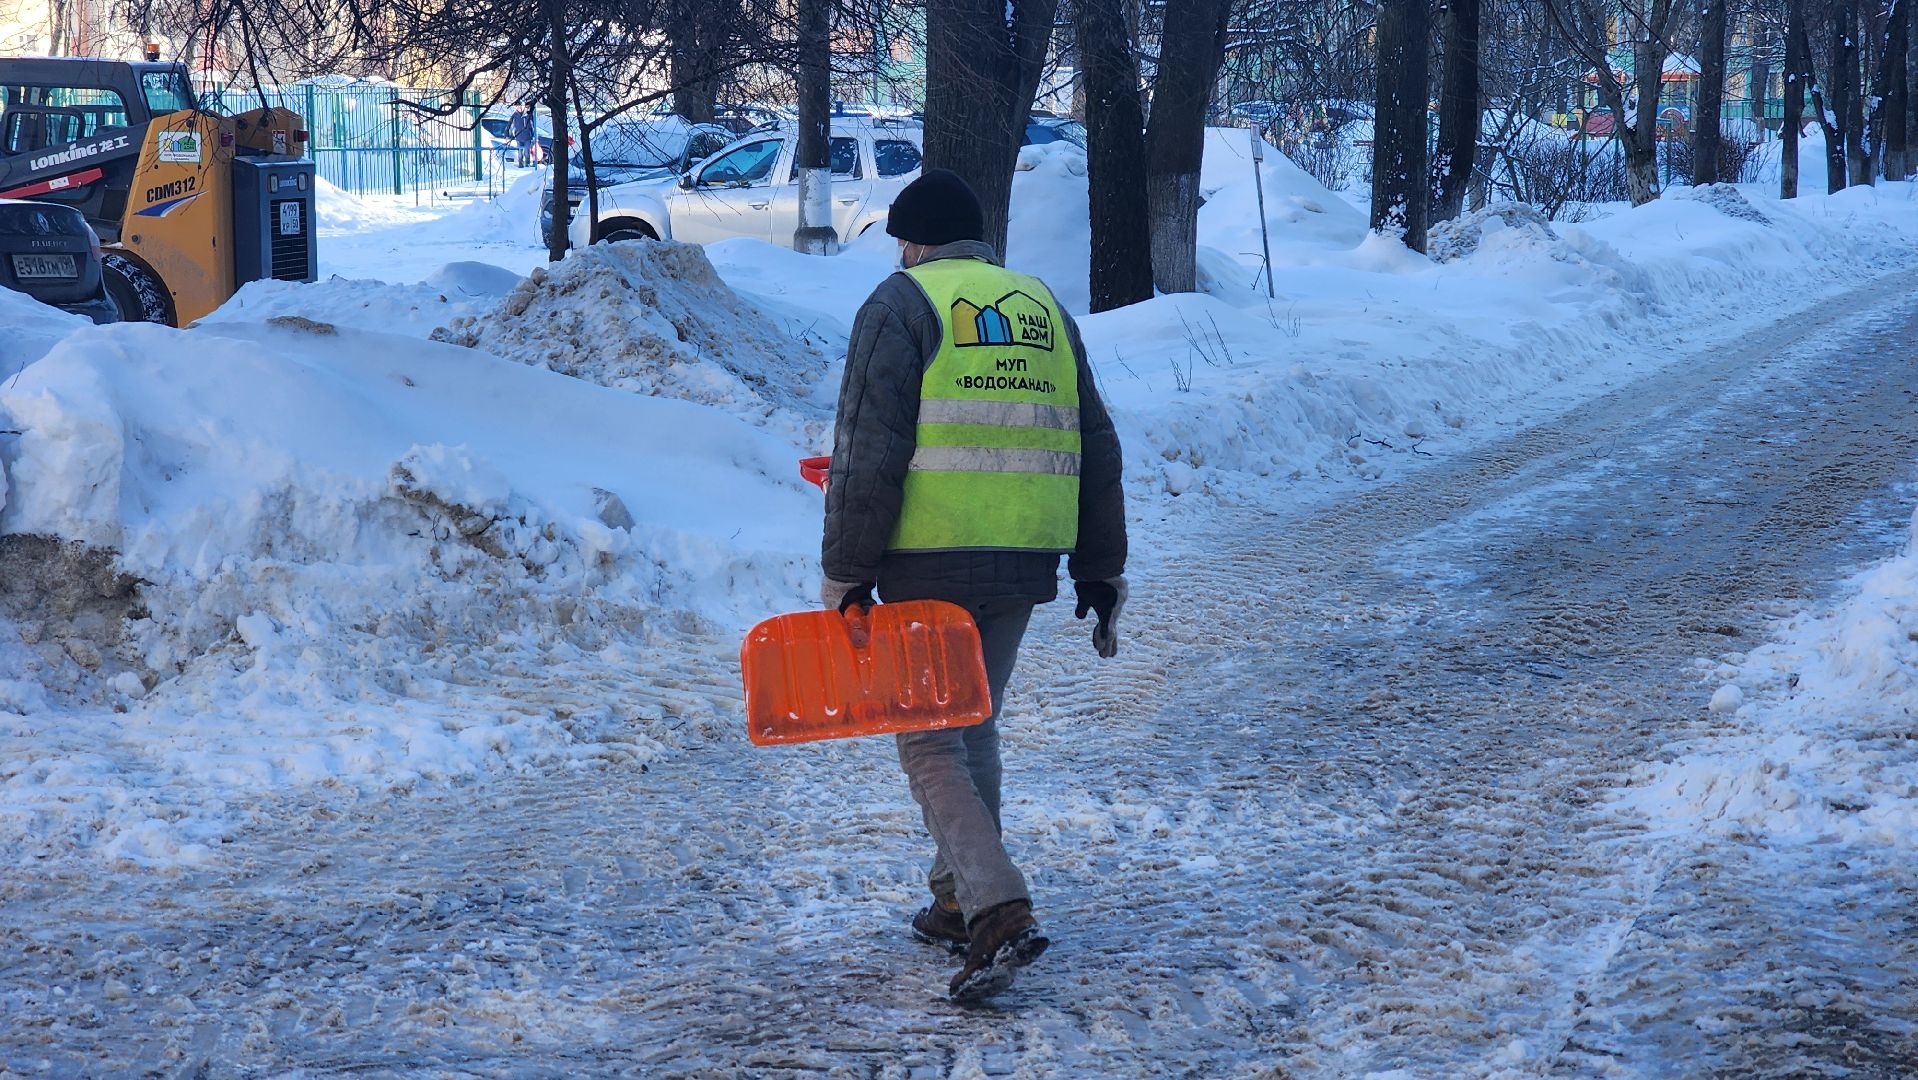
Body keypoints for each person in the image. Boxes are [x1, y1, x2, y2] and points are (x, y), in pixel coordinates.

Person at [820, 168, 1128, 1003]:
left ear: (915, 242)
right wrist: (1100, 568)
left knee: (927, 740)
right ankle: (956, 902)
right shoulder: (1041, 308)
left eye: (902, 243)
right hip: (1025, 559)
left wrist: (847, 573)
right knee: (973, 726)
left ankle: (996, 908)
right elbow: (1095, 443)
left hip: (929, 562)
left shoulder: (901, 304)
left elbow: (866, 452)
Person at [508, 103, 534, 168]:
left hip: (527, 137)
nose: (518, 108)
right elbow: (511, 125)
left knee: (526, 152)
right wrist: (511, 134)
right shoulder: (515, 115)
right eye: (517, 107)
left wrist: (532, 135)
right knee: (520, 152)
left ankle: (527, 164)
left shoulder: (528, 114)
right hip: (518, 137)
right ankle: (520, 164)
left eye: (519, 106)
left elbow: (532, 125)